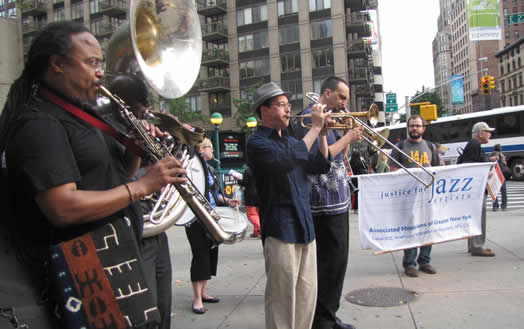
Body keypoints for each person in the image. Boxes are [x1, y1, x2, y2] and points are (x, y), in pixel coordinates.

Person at [0, 21, 186, 328]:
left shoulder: (84, 115)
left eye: (101, 63)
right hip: (83, 273)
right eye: (92, 63)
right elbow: (63, 207)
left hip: (114, 255)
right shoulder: (39, 123)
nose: (101, 73)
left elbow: (113, 177)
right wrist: (142, 186)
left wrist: (134, 152)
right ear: (57, 64)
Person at [247, 81, 331, 329]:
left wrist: (323, 132)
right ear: (264, 110)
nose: (287, 109)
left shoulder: (292, 140)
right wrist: (315, 127)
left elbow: (320, 165)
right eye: (281, 105)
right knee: (282, 301)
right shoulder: (257, 142)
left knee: (306, 297)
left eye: (288, 104)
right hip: (280, 228)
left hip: (305, 227)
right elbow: (287, 160)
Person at [294, 76, 362, 329]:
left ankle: (329, 316)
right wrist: (348, 138)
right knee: (329, 264)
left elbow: (338, 156)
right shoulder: (309, 118)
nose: (345, 103)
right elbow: (317, 160)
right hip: (322, 204)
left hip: (338, 200)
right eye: (342, 97)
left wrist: (346, 134)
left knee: (338, 263)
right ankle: (321, 320)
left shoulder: (330, 119)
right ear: (328, 93)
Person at [108, 74, 172, 329]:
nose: (146, 108)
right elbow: (121, 178)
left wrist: (163, 147)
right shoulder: (108, 131)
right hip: (133, 231)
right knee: (146, 313)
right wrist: (150, 171)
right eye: (141, 102)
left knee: (164, 307)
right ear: (123, 102)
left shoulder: (143, 127)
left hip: (155, 228)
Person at [185, 137, 239, 314]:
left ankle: (204, 292)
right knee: (200, 255)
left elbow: (215, 195)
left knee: (210, 254)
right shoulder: (191, 169)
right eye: (209, 147)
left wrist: (228, 201)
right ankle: (197, 298)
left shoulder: (210, 170)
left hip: (212, 217)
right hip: (196, 218)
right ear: (201, 149)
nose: (212, 151)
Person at [390, 115, 440, 278]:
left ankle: (425, 261)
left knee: (427, 227)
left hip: (427, 195)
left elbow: (438, 169)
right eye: (411, 126)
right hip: (408, 197)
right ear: (408, 127)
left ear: (423, 128)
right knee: (411, 229)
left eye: (417, 126)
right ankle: (410, 264)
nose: (414, 129)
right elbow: (392, 171)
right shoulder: (399, 147)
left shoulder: (431, 147)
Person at [459, 121, 497, 257]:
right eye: (488, 132)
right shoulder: (474, 145)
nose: (490, 135)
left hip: (476, 189)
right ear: (481, 133)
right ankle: (477, 246)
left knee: (476, 217)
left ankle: (474, 245)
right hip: (477, 189)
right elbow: (469, 166)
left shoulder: (474, 145)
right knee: (478, 217)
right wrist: (486, 171)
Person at [238, 166, 261, 238]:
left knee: (251, 214)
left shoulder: (248, 170)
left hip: (250, 195)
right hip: (261, 194)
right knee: (258, 213)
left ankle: (260, 228)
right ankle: (256, 232)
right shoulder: (262, 168)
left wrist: (238, 179)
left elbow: (244, 182)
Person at [490, 144, 508, 211]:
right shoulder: (502, 155)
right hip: (501, 174)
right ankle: (504, 206)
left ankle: (495, 206)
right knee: (503, 190)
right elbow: (505, 164)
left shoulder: (492, 154)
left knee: (495, 190)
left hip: (495, 174)